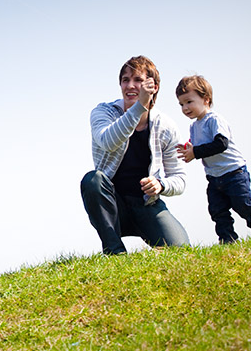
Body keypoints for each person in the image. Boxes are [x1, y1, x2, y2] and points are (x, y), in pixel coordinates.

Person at [81, 56, 190, 255]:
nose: (130, 85)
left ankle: (149, 231)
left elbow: (180, 179)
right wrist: (139, 106)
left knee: (180, 249)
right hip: (113, 204)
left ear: (153, 87)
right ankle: (115, 253)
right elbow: (108, 141)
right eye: (125, 80)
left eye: (138, 80)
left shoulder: (165, 126)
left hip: (146, 204)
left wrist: (161, 185)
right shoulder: (103, 112)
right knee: (92, 180)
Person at [175, 75, 251, 243]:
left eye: (189, 102)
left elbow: (221, 144)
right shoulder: (194, 126)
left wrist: (196, 152)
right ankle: (227, 239)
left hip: (234, 173)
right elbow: (198, 146)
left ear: (206, 99)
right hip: (214, 177)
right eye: (181, 104)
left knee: (243, 205)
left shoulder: (214, 120)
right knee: (217, 210)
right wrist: (189, 150)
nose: (185, 108)